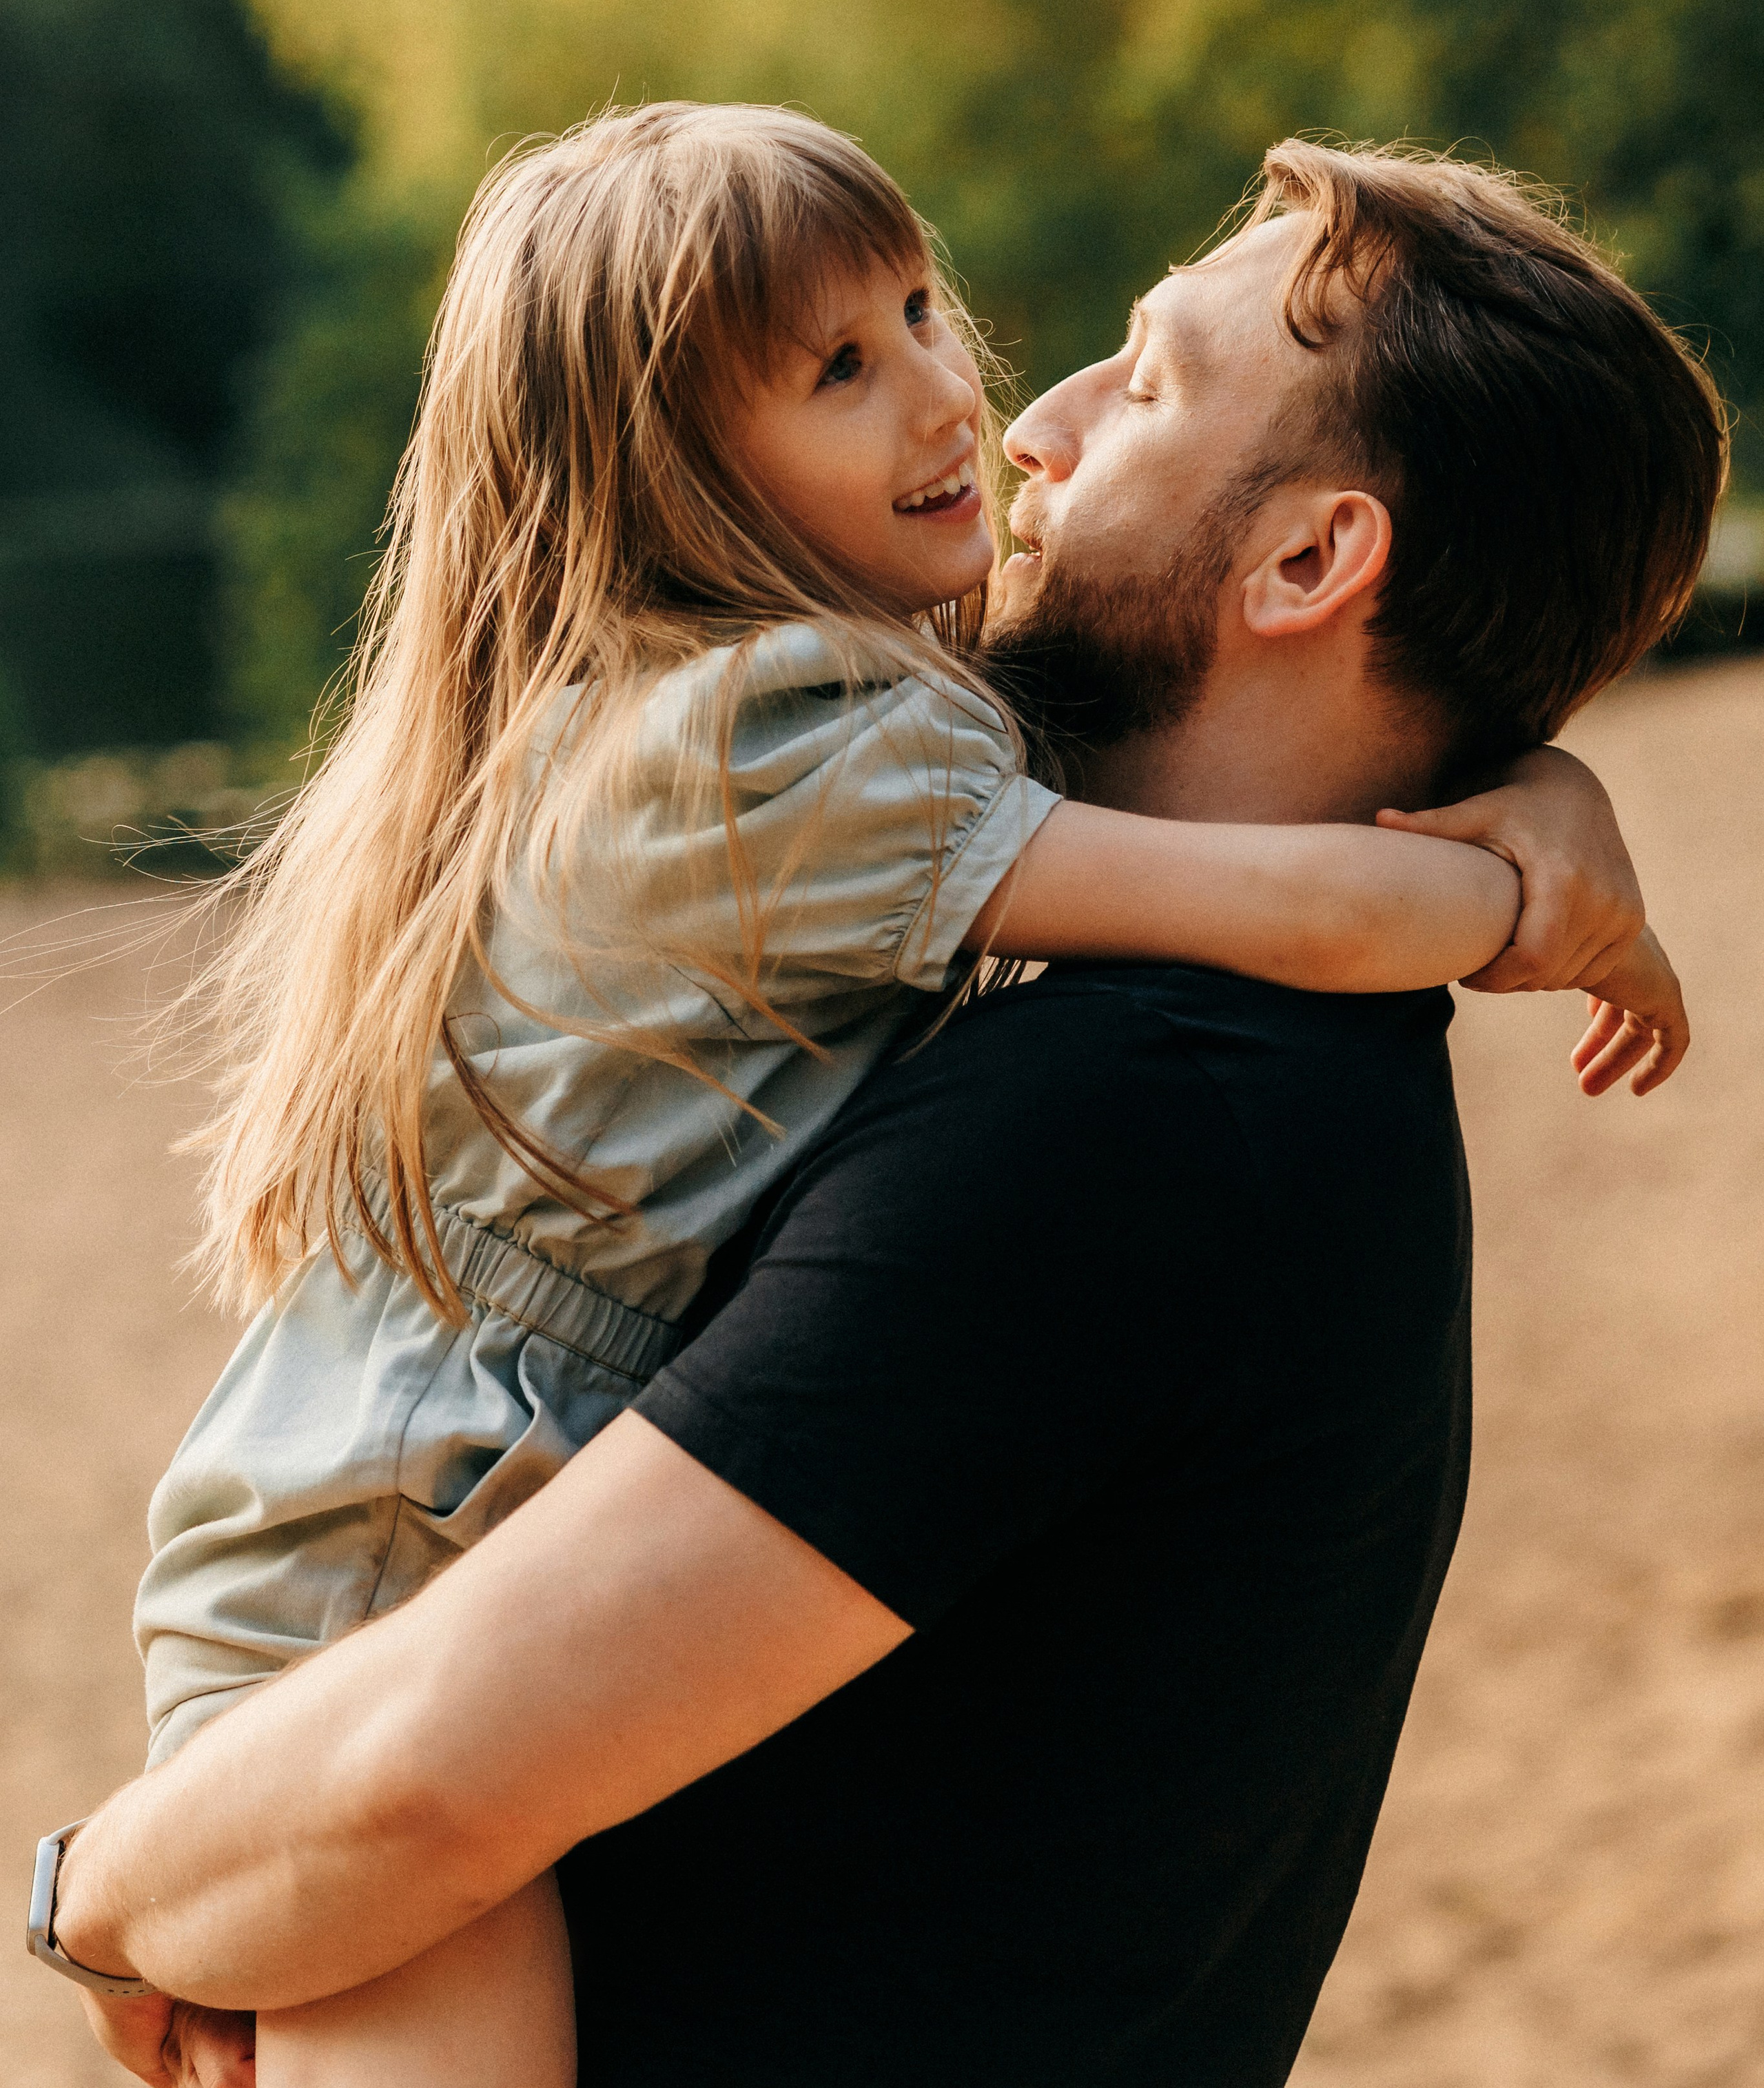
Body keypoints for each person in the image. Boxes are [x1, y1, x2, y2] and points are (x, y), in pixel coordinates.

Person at [49, 135, 1719, 2088]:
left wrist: (88, 1891)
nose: (1029, 422)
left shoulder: (1136, 1117)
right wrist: (1539, 832)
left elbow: (417, 1790)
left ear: (1308, 559)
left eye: (1148, 380)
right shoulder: (1257, 1073)